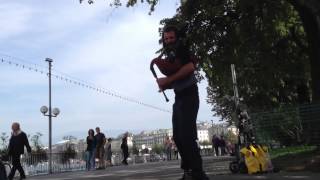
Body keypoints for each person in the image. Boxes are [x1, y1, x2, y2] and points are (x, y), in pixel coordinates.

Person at [155, 25, 209, 180]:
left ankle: (198, 174)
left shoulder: (182, 49)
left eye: (171, 38)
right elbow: (180, 77)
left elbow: (190, 67)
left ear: (176, 38)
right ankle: (188, 173)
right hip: (179, 97)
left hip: (189, 96)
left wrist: (168, 80)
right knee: (178, 137)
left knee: (187, 135)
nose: (169, 41)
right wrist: (167, 85)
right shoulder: (171, 53)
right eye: (166, 39)